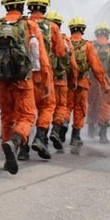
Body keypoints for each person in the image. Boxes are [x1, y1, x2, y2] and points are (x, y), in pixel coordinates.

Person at [0, 0, 51, 175]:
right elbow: (41, 59)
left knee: (6, 116)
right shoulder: (29, 26)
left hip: (0, 81)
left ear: (5, 4)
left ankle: (8, 157)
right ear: (22, 4)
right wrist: (45, 83)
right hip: (22, 80)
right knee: (27, 116)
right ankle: (17, 140)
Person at [24, 0, 66, 160]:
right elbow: (61, 51)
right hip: (42, 73)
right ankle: (41, 138)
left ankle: (22, 149)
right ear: (44, 7)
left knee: (25, 111)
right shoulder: (52, 27)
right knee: (48, 106)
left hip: (23, 74)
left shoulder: (23, 24)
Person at [67, 17, 108, 147]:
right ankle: (76, 136)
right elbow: (96, 67)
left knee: (66, 107)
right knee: (81, 108)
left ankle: (60, 131)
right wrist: (104, 83)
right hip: (84, 82)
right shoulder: (89, 46)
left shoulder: (65, 42)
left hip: (67, 83)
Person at [45, 9, 77, 149]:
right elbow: (73, 65)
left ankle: (42, 137)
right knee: (61, 107)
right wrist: (73, 82)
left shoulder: (41, 37)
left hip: (45, 80)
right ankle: (56, 131)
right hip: (61, 80)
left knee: (45, 108)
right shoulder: (65, 41)